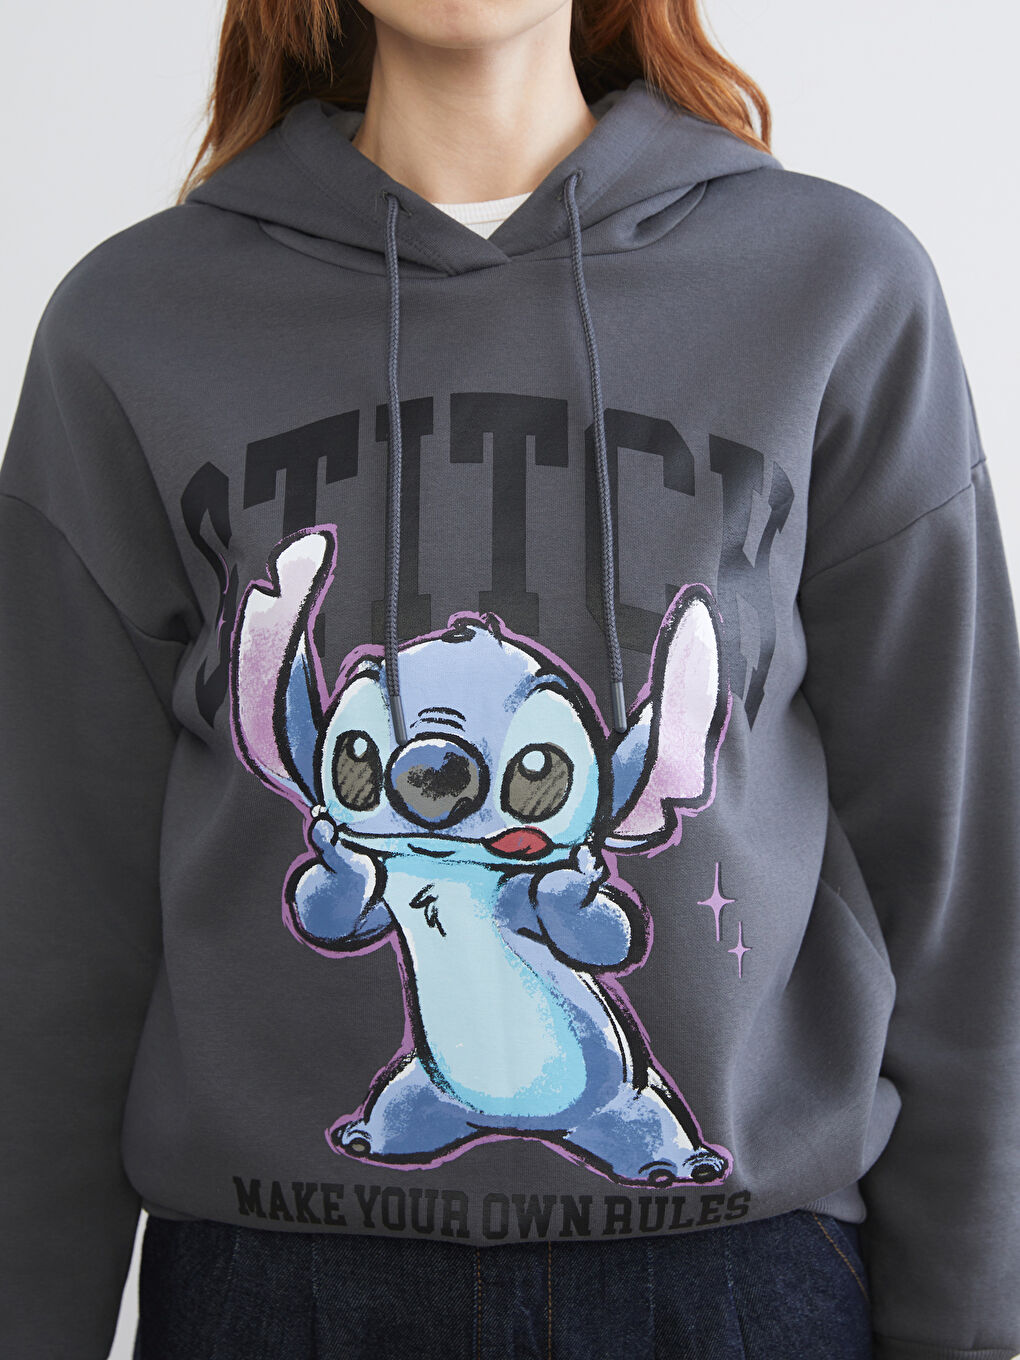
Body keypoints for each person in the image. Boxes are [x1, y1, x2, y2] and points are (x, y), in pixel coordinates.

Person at [1, 0, 1018, 1357]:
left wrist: (974, 1328)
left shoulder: (838, 289)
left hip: (736, 1289)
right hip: (276, 1295)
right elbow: (54, 924)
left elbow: (957, 886)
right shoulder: (130, 326)